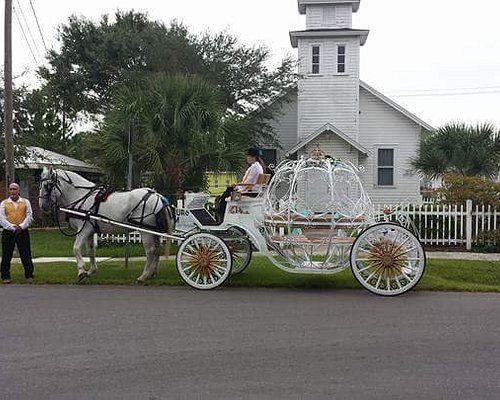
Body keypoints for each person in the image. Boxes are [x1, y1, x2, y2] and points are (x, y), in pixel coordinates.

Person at [215, 147, 266, 222]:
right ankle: (220, 211)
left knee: (227, 193)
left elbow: (249, 182)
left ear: (253, 157)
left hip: (250, 192)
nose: (247, 158)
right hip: (254, 191)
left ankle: (221, 213)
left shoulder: (255, 167)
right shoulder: (258, 166)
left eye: (248, 156)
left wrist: (238, 187)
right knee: (229, 189)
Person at [0, 183, 35, 284]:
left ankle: (29, 275)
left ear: (18, 190)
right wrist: (11, 227)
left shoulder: (25, 202)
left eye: (15, 189)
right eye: (11, 189)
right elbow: (2, 218)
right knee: (7, 254)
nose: (13, 191)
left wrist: (22, 226)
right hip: (8, 232)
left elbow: (29, 216)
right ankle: (5, 275)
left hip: (22, 231)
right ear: (9, 191)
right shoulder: (4, 203)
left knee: (26, 253)